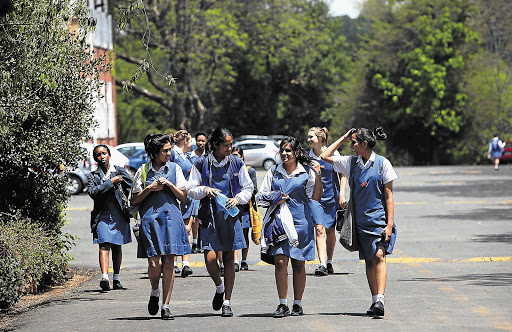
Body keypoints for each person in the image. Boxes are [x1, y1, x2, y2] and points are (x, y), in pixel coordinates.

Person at [320, 127, 398, 317]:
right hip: (359, 222)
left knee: (379, 256)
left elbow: (389, 196)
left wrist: (389, 225)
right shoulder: (351, 163)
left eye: (354, 142)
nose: (351, 146)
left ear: (364, 144)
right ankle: (374, 300)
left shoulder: (382, 163)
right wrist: (344, 138)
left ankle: (380, 299)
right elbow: (325, 156)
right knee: (369, 261)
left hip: (378, 221)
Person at [187, 128, 254, 317]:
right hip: (209, 215)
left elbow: (248, 187)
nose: (230, 148)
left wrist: (238, 199)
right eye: (226, 145)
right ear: (215, 144)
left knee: (229, 259)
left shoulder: (236, 162)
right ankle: (219, 286)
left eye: (231, 144)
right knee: (209, 258)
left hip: (229, 216)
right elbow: (190, 188)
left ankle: (227, 301)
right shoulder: (200, 163)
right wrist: (204, 190)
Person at [257, 136, 323, 318]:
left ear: (296, 153)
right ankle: (282, 303)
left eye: (288, 150)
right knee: (280, 262)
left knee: (298, 265)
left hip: (301, 224)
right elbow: (260, 197)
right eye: (282, 150)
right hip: (278, 224)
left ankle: (298, 304)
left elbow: (315, 197)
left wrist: (318, 174)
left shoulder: (306, 172)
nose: (285, 154)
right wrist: (275, 197)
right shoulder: (273, 172)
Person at [130, 133, 189, 320]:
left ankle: (166, 305)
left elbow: (183, 197)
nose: (169, 153)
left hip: (171, 219)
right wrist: (150, 188)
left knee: (170, 262)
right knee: (154, 264)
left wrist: (170, 185)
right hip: (150, 221)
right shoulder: (143, 170)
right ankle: (155, 290)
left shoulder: (175, 168)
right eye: (165, 151)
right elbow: (134, 200)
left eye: (170, 149)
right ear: (155, 152)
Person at [87, 145, 133, 292]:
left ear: (109, 154)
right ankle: (105, 277)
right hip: (102, 215)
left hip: (118, 213)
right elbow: (93, 192)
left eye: (104, 153)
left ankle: (117, 279)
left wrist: (121, 180)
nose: (102, 156)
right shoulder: (93, 175)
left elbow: (130, 186)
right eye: (98, 155)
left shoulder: (119, 170)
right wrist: (111, 182)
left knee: (117, 246)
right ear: (95, 158)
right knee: (103, 245)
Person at [307, 127, 347, 276]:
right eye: (308, 137)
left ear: (320, 138)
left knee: (330, 231)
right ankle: (322, 264)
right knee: (319, 229)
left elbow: (343, 175)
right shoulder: (307, 157)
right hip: (315, 198)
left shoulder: (333, 153)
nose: (309, 140)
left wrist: (342, 195)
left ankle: (329, 261)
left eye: (311, 137)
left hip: (332, 197)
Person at [171, 130, 194, 277]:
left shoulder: (187, 156)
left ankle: (186, 263)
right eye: (190, 141)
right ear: (185, 141)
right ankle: (173, 263)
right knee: (174, 230)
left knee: (187, 229)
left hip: (188, 197)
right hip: (176, 195)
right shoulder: (174, 154)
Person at [188, 131, 208, 253]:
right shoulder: (190, 156)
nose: (200, 143)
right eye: (198, 140)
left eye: (203, 141)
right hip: (194, 190)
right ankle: (194, 242)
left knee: (201, 218)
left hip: (205, 191)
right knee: (193, 219)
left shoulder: (208, 157)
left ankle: (201, 242)